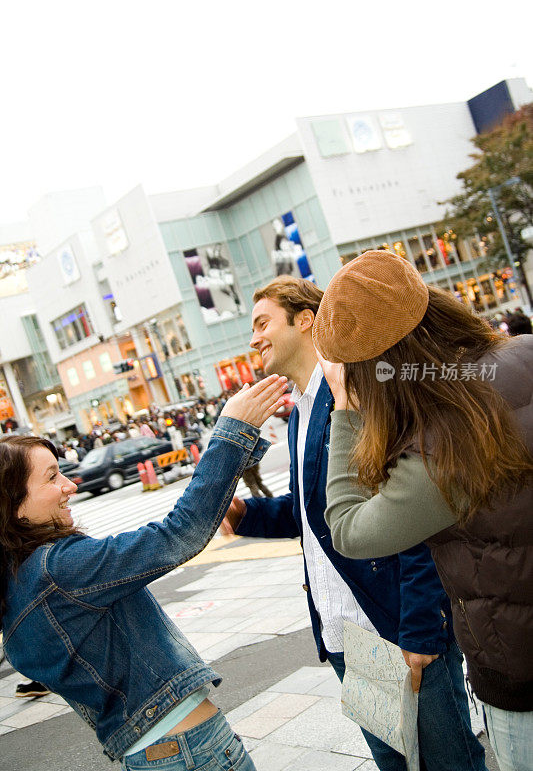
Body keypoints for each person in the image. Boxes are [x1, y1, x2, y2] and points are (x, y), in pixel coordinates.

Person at [221, 276, 486, 771]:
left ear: (306, 321)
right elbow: (320, 516)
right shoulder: (300, 412)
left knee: (450, 762)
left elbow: (409, 513)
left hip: (397, 628)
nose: (253, 339)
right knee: (395, 762)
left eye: (262, 323)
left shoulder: (357, 392)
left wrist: (423, 630)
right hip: (348, 635)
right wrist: (247, 513)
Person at [313, 250, 533, 771]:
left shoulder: (442, 444)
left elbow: (349, 529)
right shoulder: (524, 353)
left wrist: (344, 410)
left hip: (521, 671)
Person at [0, 374, 287, 770]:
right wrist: (232, 431)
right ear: (13, 505)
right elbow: (178, 534)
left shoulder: (17, 587)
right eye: (51, 477)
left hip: (152, 754)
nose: (71, 485)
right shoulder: (58, 570)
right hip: (191, 750)